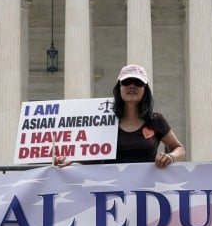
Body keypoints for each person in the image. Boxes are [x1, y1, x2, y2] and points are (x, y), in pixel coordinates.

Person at [54, 64, 185, 168]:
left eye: (138, 83)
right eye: (127, 82)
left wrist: (171, 157)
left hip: (146, 190)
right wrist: (72, 159)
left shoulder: (156, 120)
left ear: (145, 90)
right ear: (119, 88)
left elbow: (179, 148)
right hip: (112, 189)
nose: (132, 86)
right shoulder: (104, 121)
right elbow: (95, 157)